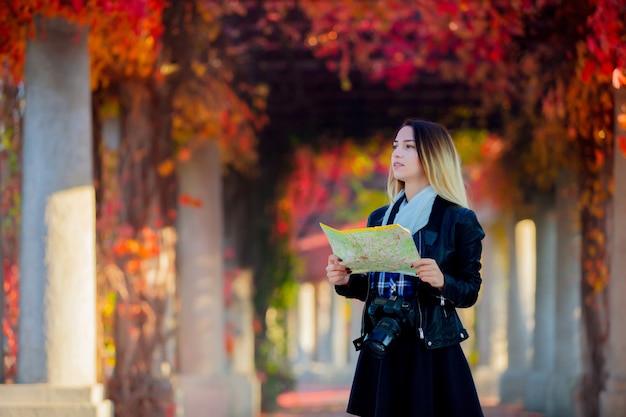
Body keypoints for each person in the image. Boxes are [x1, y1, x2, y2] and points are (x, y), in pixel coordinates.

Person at [326, 119, 485, 417]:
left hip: (430, 348)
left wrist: (441, 280)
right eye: (395, 146)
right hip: (384, 343)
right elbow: (374, 286)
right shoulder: (380, 218)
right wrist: (346, 281)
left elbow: (469, 291)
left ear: (432, 155)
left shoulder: (458, 220)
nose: (397, 153)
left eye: (409, 147)